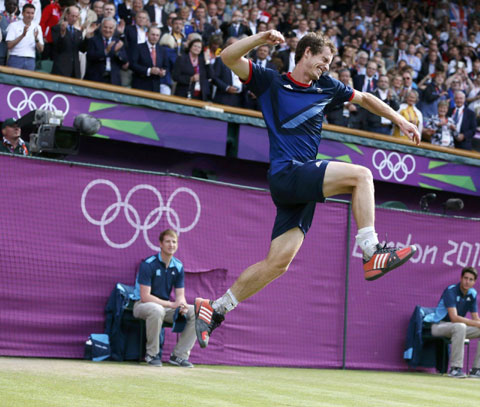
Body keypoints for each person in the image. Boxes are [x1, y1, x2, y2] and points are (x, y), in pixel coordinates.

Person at [192, 30, 420, 349]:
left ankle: (215, 309)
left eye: (329, 62)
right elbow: (228, 57)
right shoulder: (270, 81)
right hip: (289, 172)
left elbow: (366, 99)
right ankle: (371, 251)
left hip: (299, 186)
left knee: (278, 264)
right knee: (362, 176)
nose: (326, 67)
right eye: (323, 60)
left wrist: (400, 119)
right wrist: (260, 39)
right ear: (306, 53)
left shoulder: (326, 86)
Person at [133, 229, 196, 367]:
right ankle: (152, 354)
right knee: (156, 310)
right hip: (142, 305)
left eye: (174, 242)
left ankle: (179, 356)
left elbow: (180, 296)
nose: (171, 245)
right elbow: (145, 296)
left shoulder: (178, 266)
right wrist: (170, 304)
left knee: (196, 312)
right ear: (160, 244)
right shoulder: (148, 264)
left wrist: (182, 305)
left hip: (165, 308)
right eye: (167, 241)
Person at [429, 267, 480, 379]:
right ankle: (455, 369)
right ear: (461, 278)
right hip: (438, 326)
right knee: (460, 326)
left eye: (471, 279)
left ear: (474, 282)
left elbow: (475, 317)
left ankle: (477, 370)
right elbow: (454, 318)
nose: (467, 281)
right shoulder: (451, 291)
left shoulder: (472, 293)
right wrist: (478, 324)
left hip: (457, 328)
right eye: (465, 278)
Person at [85, 18, 128, 85]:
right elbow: (89, 56)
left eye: (110, 28)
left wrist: (117, 52)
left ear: (114, 29)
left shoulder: (118, 42)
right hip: (95, 78)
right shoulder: (93, 40)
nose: (107, 30)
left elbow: (125, 61)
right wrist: (105, 51)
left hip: (113, 79)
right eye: (105, 27)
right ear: (101, 27)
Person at [51, 6, 92, 78]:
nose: (74, 19)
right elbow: (57, 47)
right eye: (72, 16)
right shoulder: (57, 28)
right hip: (61, 69)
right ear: (66, 15)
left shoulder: (78, 32)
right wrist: (62, 34)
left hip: (75, 70)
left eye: (76, 16)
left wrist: (87, 37)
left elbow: (82, 49)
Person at [5, 3, 44, 70]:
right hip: (15, 58)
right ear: (22, 13)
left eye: (32, 13)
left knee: (28, 81)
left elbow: (41, 49)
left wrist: (36, 39)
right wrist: (22, 35)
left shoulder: (38, 27)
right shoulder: (13, 25)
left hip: (30, 60)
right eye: (28, 13)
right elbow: (9, 45)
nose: (30, 15)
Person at [130, 26, 168, 92]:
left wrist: (163, 72)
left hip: (155, 86)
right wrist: (149, 70)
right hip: (140, 85)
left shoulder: (162, 50)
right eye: (153, 34)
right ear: (147, 34)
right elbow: (133, 65)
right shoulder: (138, 47)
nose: (155, 37)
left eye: (157, 35)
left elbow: (166, 66)